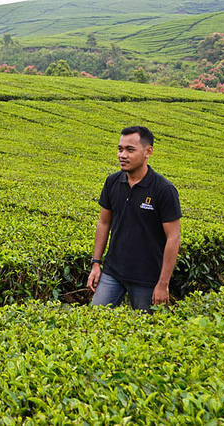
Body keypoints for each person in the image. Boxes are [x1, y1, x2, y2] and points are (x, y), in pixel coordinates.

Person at [87, 126, 181, 312]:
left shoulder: (163, 190)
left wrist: (163, 283)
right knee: (94, 320)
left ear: (148, 152)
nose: (122, 155)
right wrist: (96, 263)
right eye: (120, 149)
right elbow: (104, 223)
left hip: (147, 278)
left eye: (130, 150)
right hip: (113, 272)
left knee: (147, 331)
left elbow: (173, 237)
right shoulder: (112, 182)